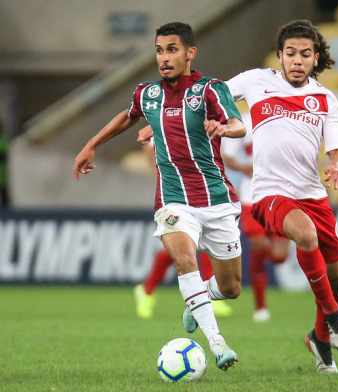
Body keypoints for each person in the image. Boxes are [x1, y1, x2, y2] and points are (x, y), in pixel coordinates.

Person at [73, 22, 245, 370]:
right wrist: (91, 145)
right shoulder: (147, 93)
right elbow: (127, 117)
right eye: (159, 50)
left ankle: (197, 300)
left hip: (216, 199)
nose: (164, 58)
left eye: (171, 49)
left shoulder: (210, 90)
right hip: (173, 200)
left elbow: (238, 123)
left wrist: (224, 127)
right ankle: (218, 344)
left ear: (189, 53)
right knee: (184, 260)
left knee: (230, 288)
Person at [226, 20, 338, 374]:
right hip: (269, 192)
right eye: (291, 53)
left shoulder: (325, 99)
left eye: (305, 54)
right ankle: (333, 315)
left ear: (315, 59)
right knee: (305, 234)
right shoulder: (255, 81)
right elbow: (213, 95)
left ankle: (320, 339)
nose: (298, 60)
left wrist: (337, 166)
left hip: (312, 193)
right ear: (280, 56)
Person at [134, 142, 233, 320]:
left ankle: (207, 295)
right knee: (180, 248)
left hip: (197, 195)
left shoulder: (197, 123)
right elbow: (149, 147)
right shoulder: (165, 119)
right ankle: (147, 291)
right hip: (172, 199)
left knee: (201, 245)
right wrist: (160, 175)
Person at [220, 107, 290, 323]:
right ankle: (260, 306)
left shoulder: (286, 118)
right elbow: (227, 155)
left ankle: (256, 267)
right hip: (252, 197)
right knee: (259, 245)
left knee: (279, 257)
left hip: (282, 194)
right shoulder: (246, 122)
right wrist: (243, 167)